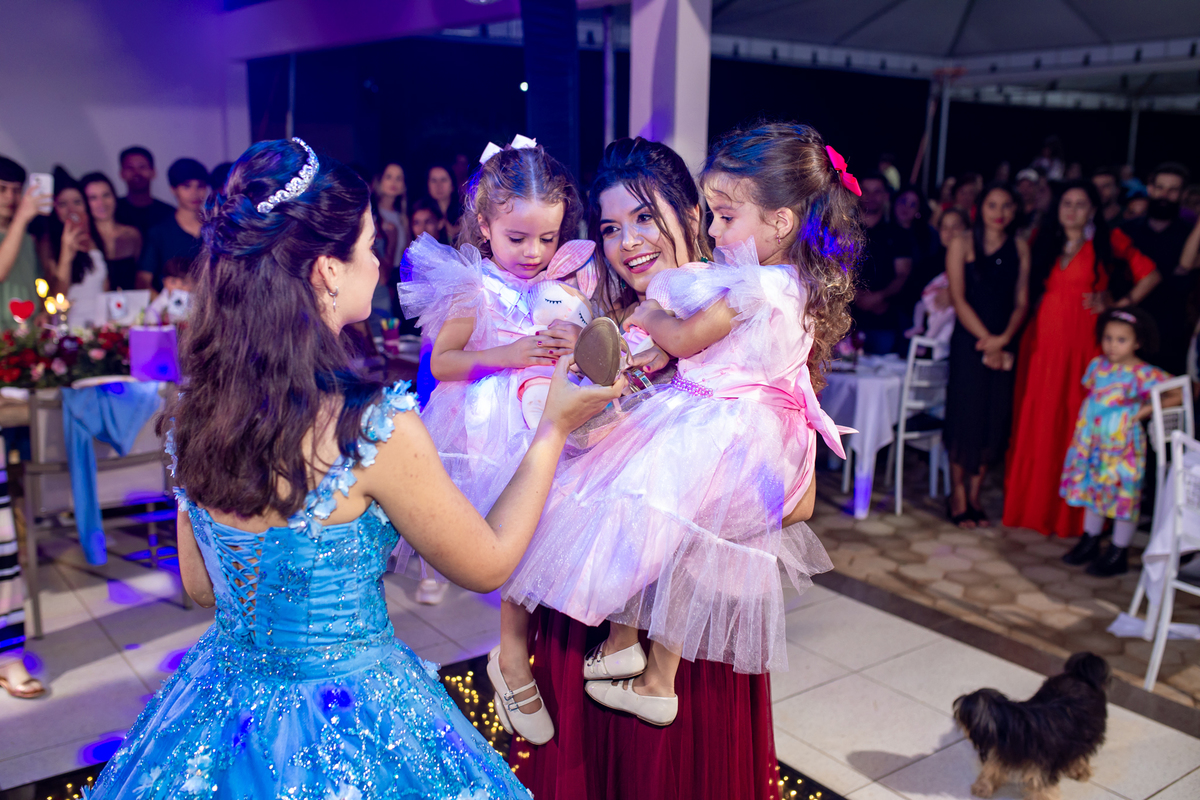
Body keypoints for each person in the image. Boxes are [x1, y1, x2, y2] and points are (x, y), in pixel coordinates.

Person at [89, 137, 621, 799]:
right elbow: (488, 565)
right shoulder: (371, 428)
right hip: (349, 720)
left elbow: (203, 588)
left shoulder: (196, 412)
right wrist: (553, 429)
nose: (378, 261)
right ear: (327, 270)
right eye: (368, 246)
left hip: (221, 702)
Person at [503, 121, 855, 730]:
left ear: (693, 214)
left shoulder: (743, 302)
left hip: (696, 637)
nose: (628, 242)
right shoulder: (593, 313)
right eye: (609, 228)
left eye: (645, 217)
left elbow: (793, 502)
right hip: (590, 613)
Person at [398, 141, 600, 743]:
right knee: (517, 540)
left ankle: (547, 647)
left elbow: (581, 340)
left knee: (559, 529)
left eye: (547, 238)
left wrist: (572, 340)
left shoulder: (562, 280)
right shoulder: (471, 286)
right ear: (484, 225)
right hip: (491, 426)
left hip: (547, 415)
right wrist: (509, 354)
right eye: (517, 238)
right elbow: (444, 363)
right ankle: (510, 656)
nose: (534, 253)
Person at [1003, 181, 1161, 538]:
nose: (1072, 210)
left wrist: (1118, 306)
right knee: (1041, 420)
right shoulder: (1045, 240)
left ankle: (1075, 521)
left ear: (1092, 210)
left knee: (1076, 422)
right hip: (1043, 344)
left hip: (1083, 343)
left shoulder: (1108, 240)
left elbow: (1150, 274)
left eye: (1080, 203)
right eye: (1066, 203)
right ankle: (1034, 507)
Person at [1060, 308, 1175, 576]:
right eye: (1108, 338)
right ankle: (1090, 540)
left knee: (1123, 496)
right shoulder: (1097, 366)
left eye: (1121, 340)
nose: (1112, 345)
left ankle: (1118, 551)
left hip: (1123, 447)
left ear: (1137, 342)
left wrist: (1144, 411)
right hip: (1093, 443)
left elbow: (1178, 391)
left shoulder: (1144, 373)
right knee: (1094, 491)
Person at [943, 184, 1030, 528]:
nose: (1000, 212)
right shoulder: (962, 242)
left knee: (994, 418)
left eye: (1007, 205)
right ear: (981, 208)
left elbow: (1022, 300)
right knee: (965, 416)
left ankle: (975, 495)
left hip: (1004, 341)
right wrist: (987, 340)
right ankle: (958, 496)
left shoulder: (1020, 246)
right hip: (970, 343)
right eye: (993, 205)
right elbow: (958, 297)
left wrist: (1003, 339)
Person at [1122, 162, 1198, 376]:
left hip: (1173, 334)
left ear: (1183, 194)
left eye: (1173, 190)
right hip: (1129, 329)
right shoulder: (1126, 231)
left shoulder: (1190, 236)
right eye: (1160, 188)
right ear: (1150, 189)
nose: (1164, 195)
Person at [853, 173, 913, 353]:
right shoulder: (845, 230)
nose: (870, 196)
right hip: (846, 320)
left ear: (886, 195)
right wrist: (854, 295)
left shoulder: (898, 234)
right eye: (865, 190)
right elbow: (832, 268)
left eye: (877, 191)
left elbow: (903, 274)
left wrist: (878, 297)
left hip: (884, 320)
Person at [136, 158, 208, 292]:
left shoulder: (217, 229)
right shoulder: (159, 232)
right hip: (173, 302)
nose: (194, 193)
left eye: (200, 186)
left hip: (213, 302)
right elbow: (143, 280)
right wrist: (161, 303)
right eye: (187, 186)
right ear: (173, 189)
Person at [38, 167, 107, 301]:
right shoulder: (47, 244)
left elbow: (104, 286)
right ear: (54, 209)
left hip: (99, 314)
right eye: (63, 204)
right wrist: (66, 252)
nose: (71, 210)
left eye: (77, 202)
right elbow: (57, 297)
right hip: (70, 314)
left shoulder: (94, 236)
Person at [0, 156, 46, 332]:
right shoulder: (22, 226)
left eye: (17, 190)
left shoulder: (27, 238)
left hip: (28, 335)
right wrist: (21, 218)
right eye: (2, 189)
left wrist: (44, 311)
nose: (10, 197)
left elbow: (39, 284)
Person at [80, 172, 141, 290]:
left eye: (106, 195)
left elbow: (140, 278)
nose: (101, 203)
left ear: (114, 197)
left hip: (131, 300)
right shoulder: (83, 239)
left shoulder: (132, 235)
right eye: (93, 198)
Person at [114, 146, 174, 238]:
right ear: (122, 174)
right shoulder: (112, 211)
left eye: (142, 167)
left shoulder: (169, 214)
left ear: (153, 172)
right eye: (130, 168)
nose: (136, 173)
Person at [373, 162, 408, 268]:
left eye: (398, 178)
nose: (394, 182)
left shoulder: (403, 218)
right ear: (380, 181)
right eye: (389, 177)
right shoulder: (370, 213)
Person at [426, 164, 462, 242]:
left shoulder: (464, 214)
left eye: (443, 180)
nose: (438, 185)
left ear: (452, 185)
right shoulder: (421, 213)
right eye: (434, 180)